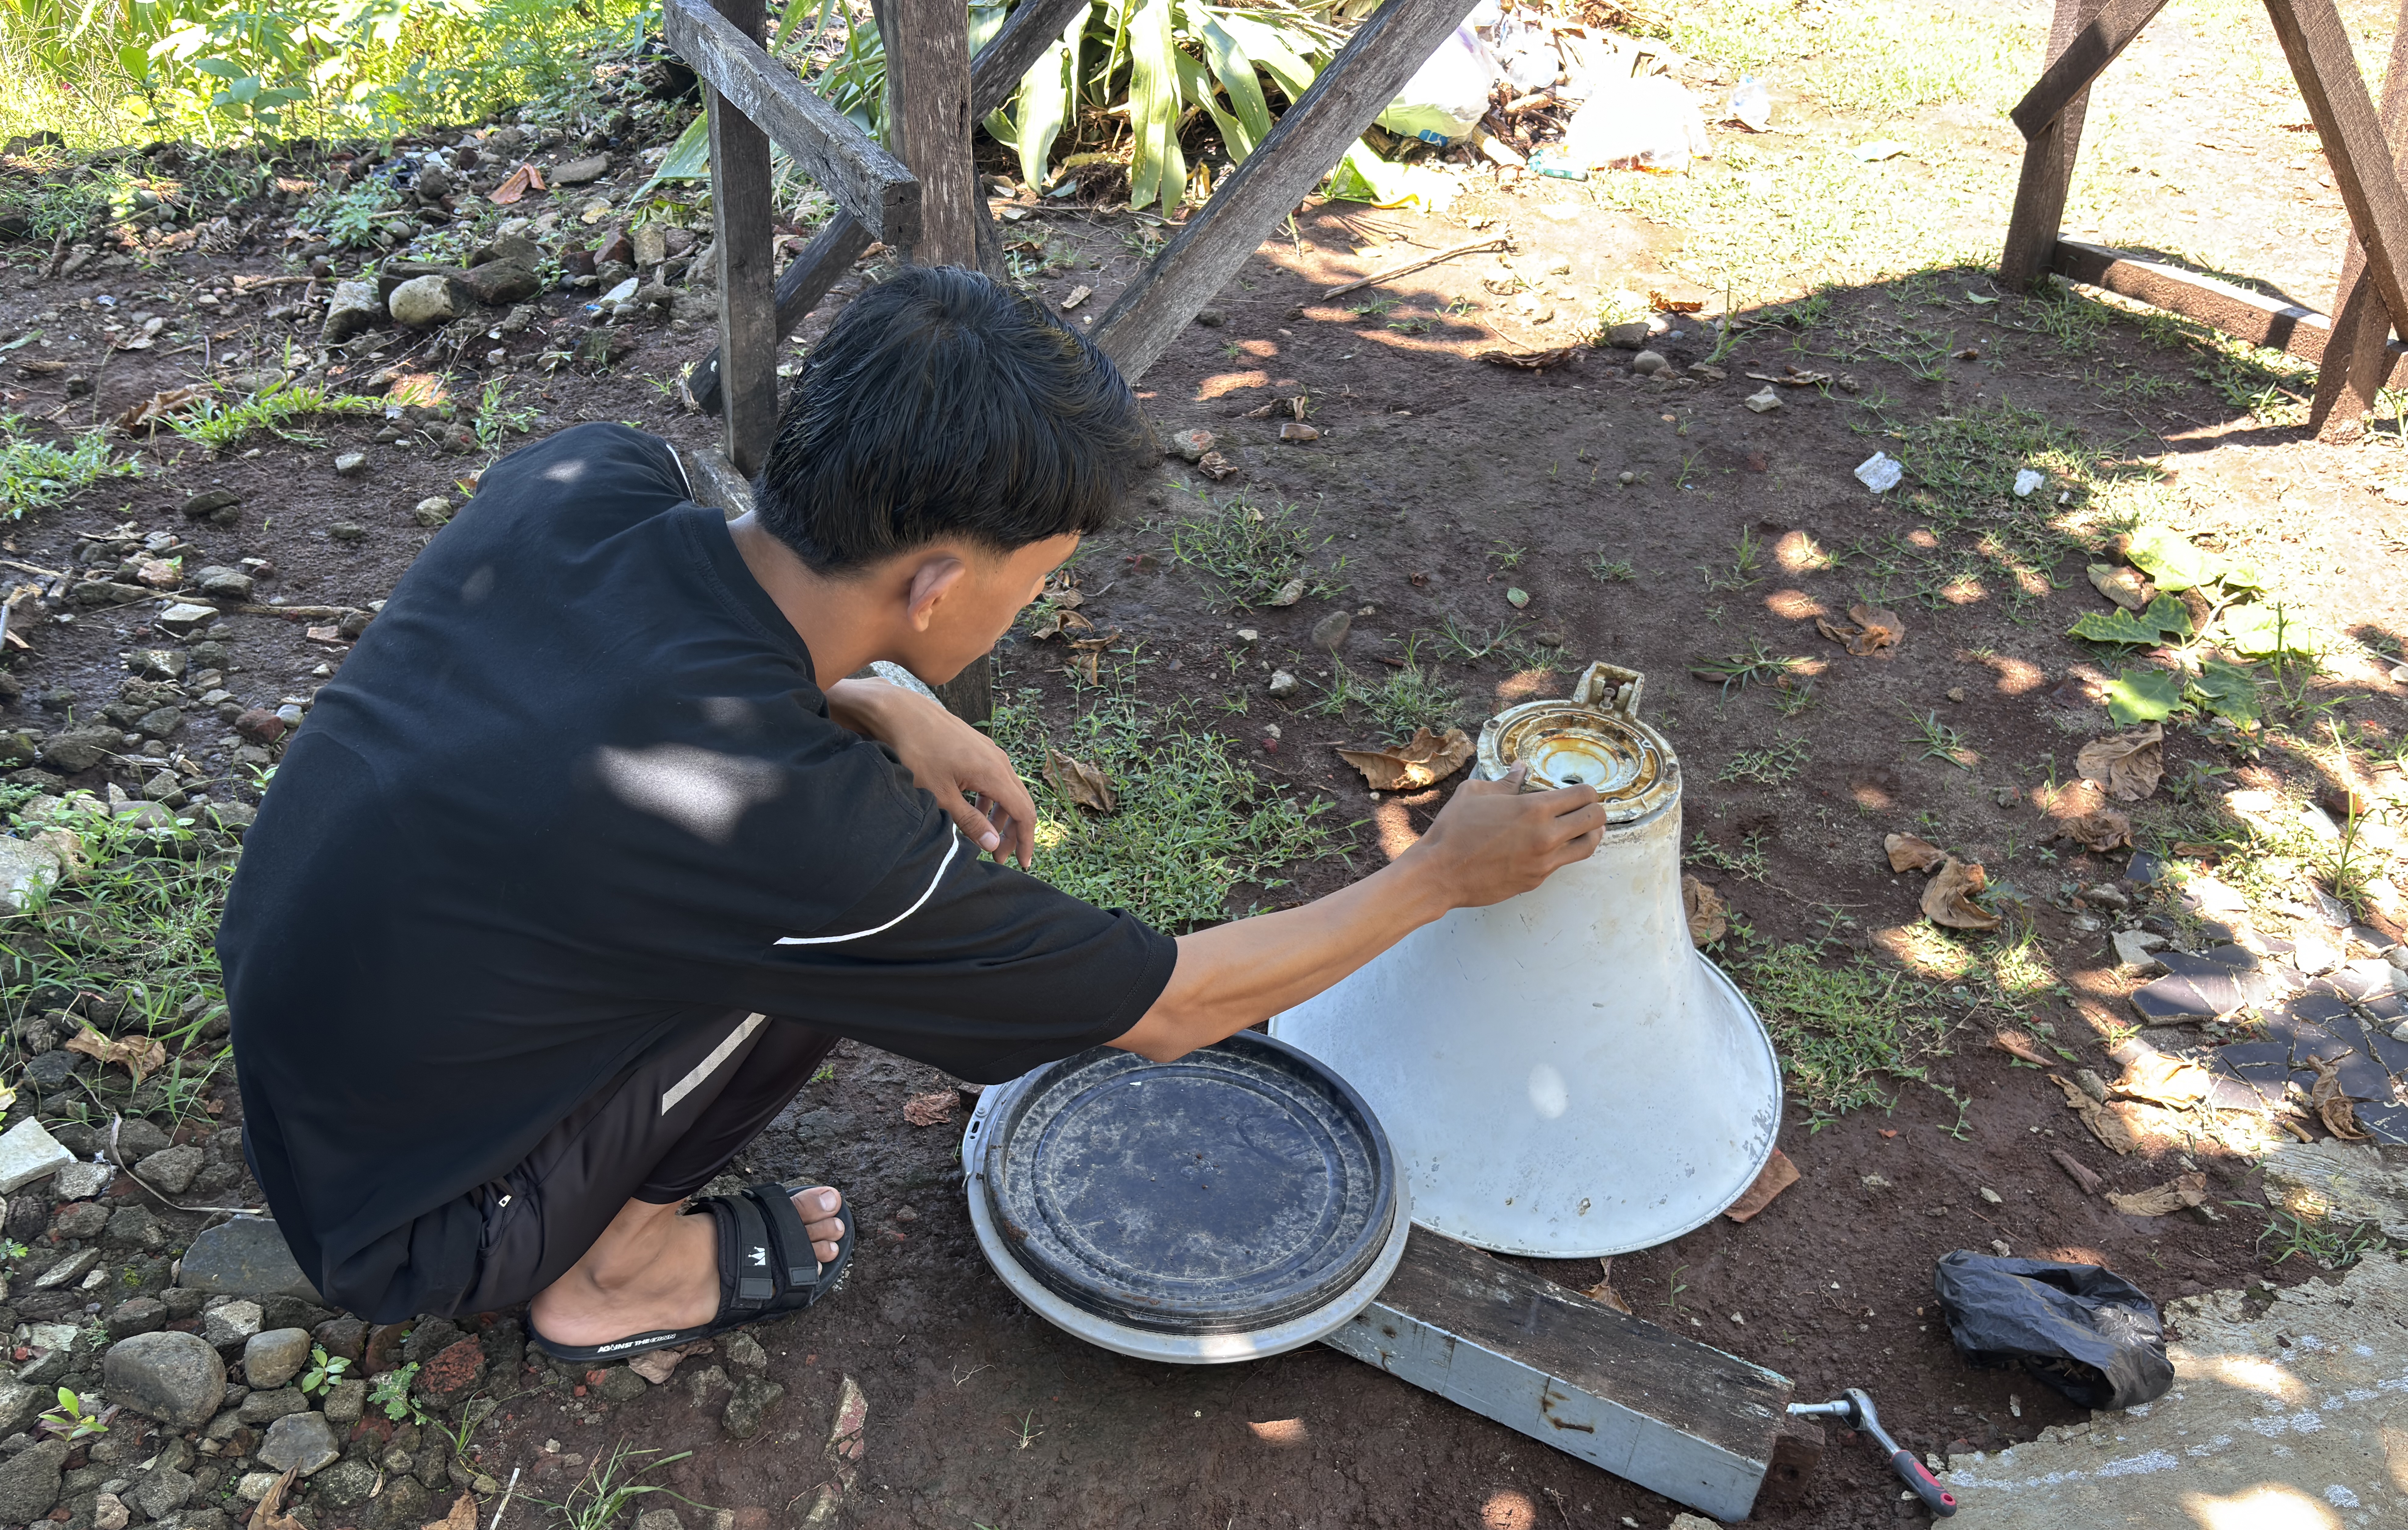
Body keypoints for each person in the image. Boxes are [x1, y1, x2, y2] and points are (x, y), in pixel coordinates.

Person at [217, 266, 1605, 1363]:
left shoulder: (585, 477)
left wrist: (880, 695)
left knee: (765, 902)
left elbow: (634, 650)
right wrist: (1436, 876)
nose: (1038, 601)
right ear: (940, 587)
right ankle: (612, 1273)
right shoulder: (788, 826)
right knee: (823, 951)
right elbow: (1172, 1007)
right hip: (422, 1222)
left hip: (316, 1043)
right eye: (1038, 577)